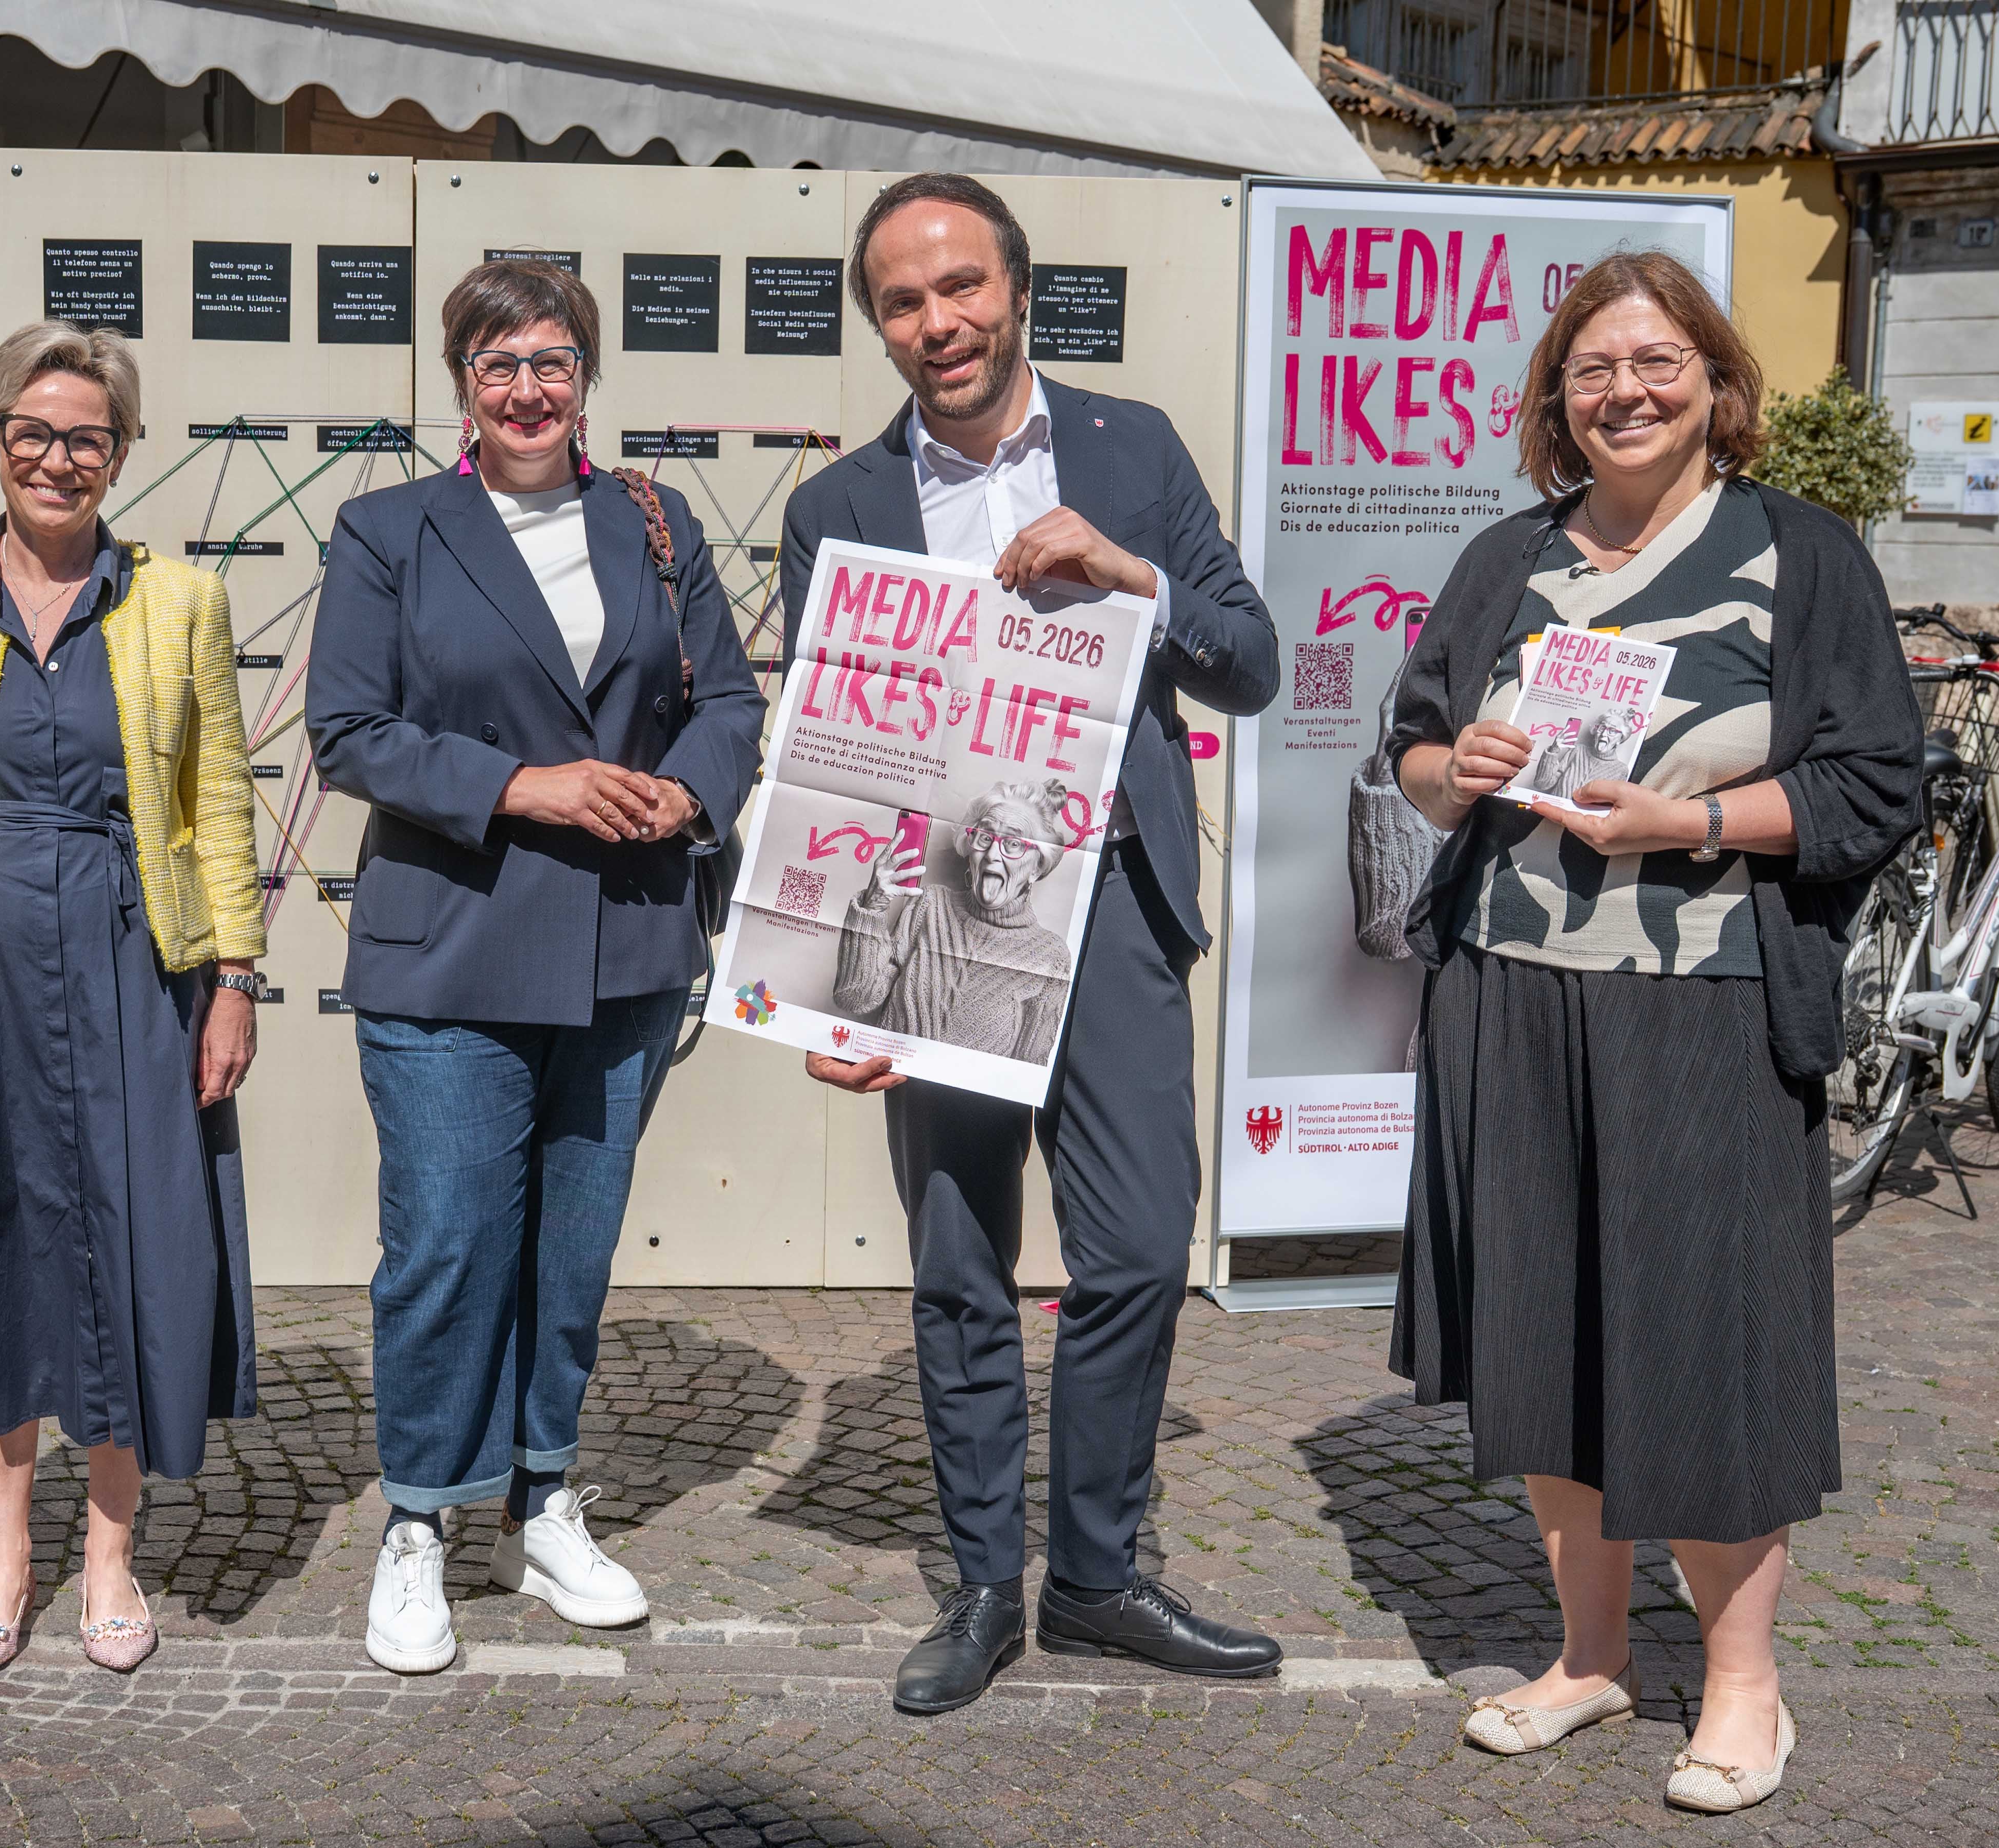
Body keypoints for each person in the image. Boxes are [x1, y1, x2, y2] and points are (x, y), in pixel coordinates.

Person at [1386, 252, 1921, 1812]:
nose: (1623, 390)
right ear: (1557, 399)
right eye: (1591, 368)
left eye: (1654, 361)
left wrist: (1687, 819)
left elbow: (1875, 782)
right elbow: (1409, 750)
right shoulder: (1506, 557)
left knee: (1705, 1339)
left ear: (1714, 382)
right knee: (1542, 1327)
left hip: (1704, 1007)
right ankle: (1591, 1653)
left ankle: (1746, 1687)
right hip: (1509, 995)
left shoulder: (1798, 553)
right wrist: (1455, 771)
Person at [780, 172, 1284, 1715]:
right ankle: (985, 1584)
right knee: (957, 1265)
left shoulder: (1132, 450)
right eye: (904, 301)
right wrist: (833, 985)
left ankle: (1098, 1574)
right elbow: (826, 761)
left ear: (1016, 290)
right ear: (881, 325)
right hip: (939, 915)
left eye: (961, 287)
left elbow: (1250, 660)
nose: (938, 321)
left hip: (1113, 896)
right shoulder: (835, 509)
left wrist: (1132, 577)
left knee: (1136, 1250)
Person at [308, 259, 765, 1674]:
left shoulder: (653, 522)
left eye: (553, 361)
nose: (526, 389)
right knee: (447, 1243)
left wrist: (686, 791)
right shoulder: (390, 530)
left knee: (573, 1243)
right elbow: (348, 730)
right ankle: (418, 1520)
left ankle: (542, 1494)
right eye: (498, 363)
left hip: (622, 946)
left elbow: (729, 700)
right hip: (451, 944)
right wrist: (525, 785)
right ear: (461, 379)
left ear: (586, 376)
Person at [0, 320, 266, 1680]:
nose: (58, 458)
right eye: (33, 432)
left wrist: (235, 980)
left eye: (88, 437)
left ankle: (110, 1555)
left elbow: (218, 803)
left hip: (137, 962)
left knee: (135, 1242)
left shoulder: (181, 602)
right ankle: (6, 1557)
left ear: (120, 454)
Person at [835, 781, 1073, 1065]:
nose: (992, 855)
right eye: (985, 837)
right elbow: (855, 999)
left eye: (1014, 844)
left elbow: (1029, 1071)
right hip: (894, 1081)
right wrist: (873, 905)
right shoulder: (930, 904)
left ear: (1037, 868)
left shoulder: (1051, 956)